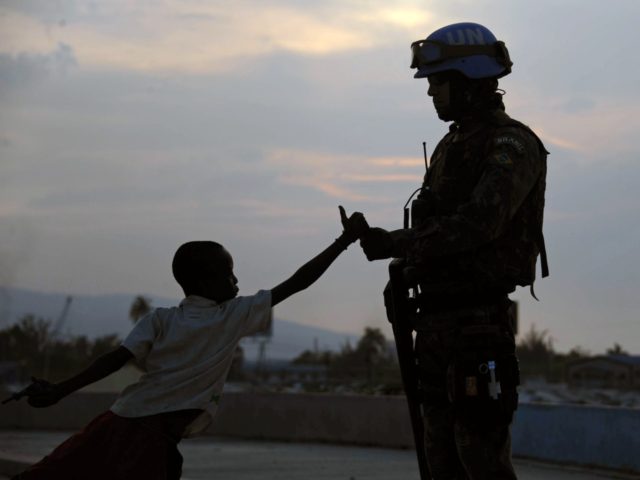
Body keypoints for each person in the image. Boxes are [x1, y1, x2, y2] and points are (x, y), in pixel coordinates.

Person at [9, 206, 368, 480]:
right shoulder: (232, 316)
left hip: (115, 422)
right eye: (229, 273)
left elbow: (113, 360)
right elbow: (297, 282)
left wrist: (60, 390)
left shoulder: (160, 319)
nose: (237, 280)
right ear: (206, 280)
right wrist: (342, 242)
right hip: (149, 441)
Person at [359, 22, 548, 479]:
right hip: (437, 322)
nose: (431, 94)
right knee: (438, 455)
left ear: (468, 78)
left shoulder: (512, 144)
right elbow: (435, 223)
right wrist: (404, 266)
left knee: (479, 456)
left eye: (438, 82)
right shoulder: (451, 144)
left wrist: (396, 244)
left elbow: (477, 224)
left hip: (477, 326)